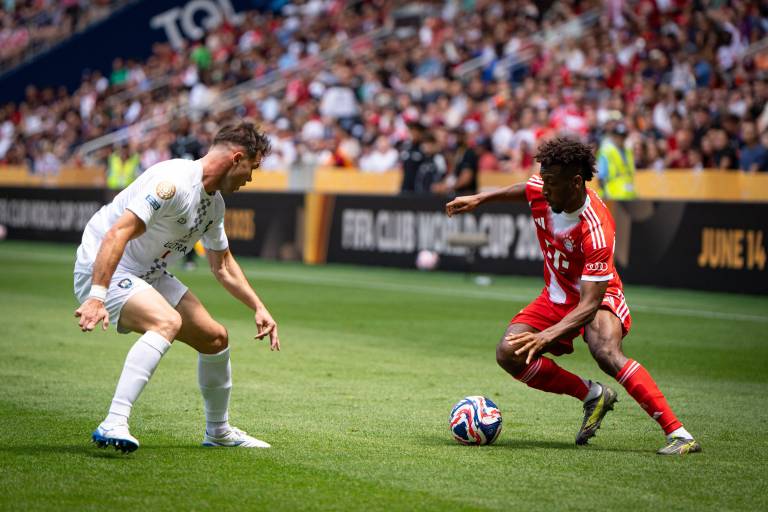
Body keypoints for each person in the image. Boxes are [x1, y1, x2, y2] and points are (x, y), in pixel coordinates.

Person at [445, 137, 700, 455]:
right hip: (555, 296)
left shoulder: (595, 228)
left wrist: (547, 337)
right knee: (508, 353)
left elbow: (590, 304)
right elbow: (526, 187)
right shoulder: (544, 190)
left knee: (605, 351)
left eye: (551, 184)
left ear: (575, 182)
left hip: (597, 296)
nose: (544, 189)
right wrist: (480, 199)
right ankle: (592, 394)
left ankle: (679, 434)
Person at [74, 122, 280, 453]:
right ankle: (114, 420)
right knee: (166, 321)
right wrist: (97, 296)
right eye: (252, 169)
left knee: (215, 338)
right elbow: (116, 234)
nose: (251, 178)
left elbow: (223, 265)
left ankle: (218, 431)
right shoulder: (172, 183)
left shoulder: (214, 206)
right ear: (237, 158)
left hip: (147, 270)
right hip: (103, 265)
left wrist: (259, 306)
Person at [596, 123, 636, 200]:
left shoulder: (628, 152)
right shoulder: (606, 151)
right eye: (618, 136)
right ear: (613, 136)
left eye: (623, 136)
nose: (621, 138)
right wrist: (605, 196)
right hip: (612, 195)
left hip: (629, 196)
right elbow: (601, 176)